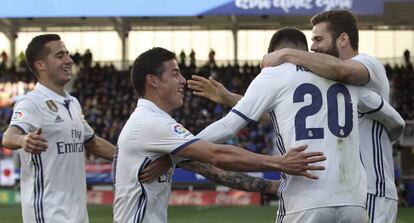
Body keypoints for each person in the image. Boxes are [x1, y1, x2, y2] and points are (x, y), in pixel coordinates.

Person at [190, 28, 404, 222]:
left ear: (272, 52)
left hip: (304, 200)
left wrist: (181, 148)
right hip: (353, 203)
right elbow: (394, 120)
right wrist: (389, 138)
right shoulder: (342, 76)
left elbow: (228, 126)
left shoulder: (274, 74)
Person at [112, 47, 327, 223]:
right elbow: (217, 154)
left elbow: (216, 172)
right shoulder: (150, 123)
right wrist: (280, 163)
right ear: (153, 81)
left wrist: (276, 187)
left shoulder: (155, 127)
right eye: (175, 73)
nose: (183, 80)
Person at [261, 10, 401, 223]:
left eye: (318, 39)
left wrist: (287, 53)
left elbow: (345, 71)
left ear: (343, 39)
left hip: (372, 189)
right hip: (347, 195)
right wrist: (232, 100)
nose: (313, 47)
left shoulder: (368, 64)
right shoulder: (325, 78)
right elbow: (283, 114)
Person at [2, 34, 115, 223]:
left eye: (67, 54)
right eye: (60, 55)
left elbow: (92, 143)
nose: (69, 60)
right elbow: (9, 136)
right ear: (41, 65)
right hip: (48, 214)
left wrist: (129, 157)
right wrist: (23, 140)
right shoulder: (31, 102)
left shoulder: (73, 102)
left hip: (78, 214)